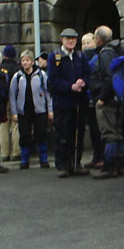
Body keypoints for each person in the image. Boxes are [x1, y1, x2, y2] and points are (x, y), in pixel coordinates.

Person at [46, 28, 91, 178]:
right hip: (63, 102)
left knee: (77, 133)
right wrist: (70, 86)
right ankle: (63, 165)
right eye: (67, 38)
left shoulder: (80, 56)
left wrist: (83, 83)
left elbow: (88, 74)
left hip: (79, 101)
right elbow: (52, 81)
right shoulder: (55, 57)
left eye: (73, 38)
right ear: (62, 39)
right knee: (62, 134)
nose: (70, 41)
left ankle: (76, 163)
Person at [89, 25, 124, 179]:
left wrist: (102, 98)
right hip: (117, 98)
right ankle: (120, 165)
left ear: (98, 38)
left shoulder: (105, 54)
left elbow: (108, 77)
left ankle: (110, 166)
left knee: (109, 133)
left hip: (107, 101)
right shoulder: (117, 50)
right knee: (117, 132)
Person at [9, 50, 53, 169]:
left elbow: (48, 93)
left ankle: (43, 159)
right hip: (23, 110)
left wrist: (50, 110)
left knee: (41, 133)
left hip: (39, 109)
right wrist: (14, 112)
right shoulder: (17, 76)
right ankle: (24, 160)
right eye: (23, 60)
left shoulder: (41, 75)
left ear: (33, 62)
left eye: (27, 60)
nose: (25, 63)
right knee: (24, 135)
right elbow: (12, 95)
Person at [81, 33, 104, 170]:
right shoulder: (81, 58)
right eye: (83, 43)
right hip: (86, 98)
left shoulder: (96, 58)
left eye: (88, 42)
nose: (86, 45)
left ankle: (101, 157)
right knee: (93, 131)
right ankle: (96, 156)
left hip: (95, 97)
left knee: (98, 130)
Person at [0, 45, 21, 162]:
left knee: (3, 125)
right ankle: (16, 152)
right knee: (16, 125)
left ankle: (4, 153)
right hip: (16, 98)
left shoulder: (0, 67)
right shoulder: (18, 68)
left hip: (2, 100)